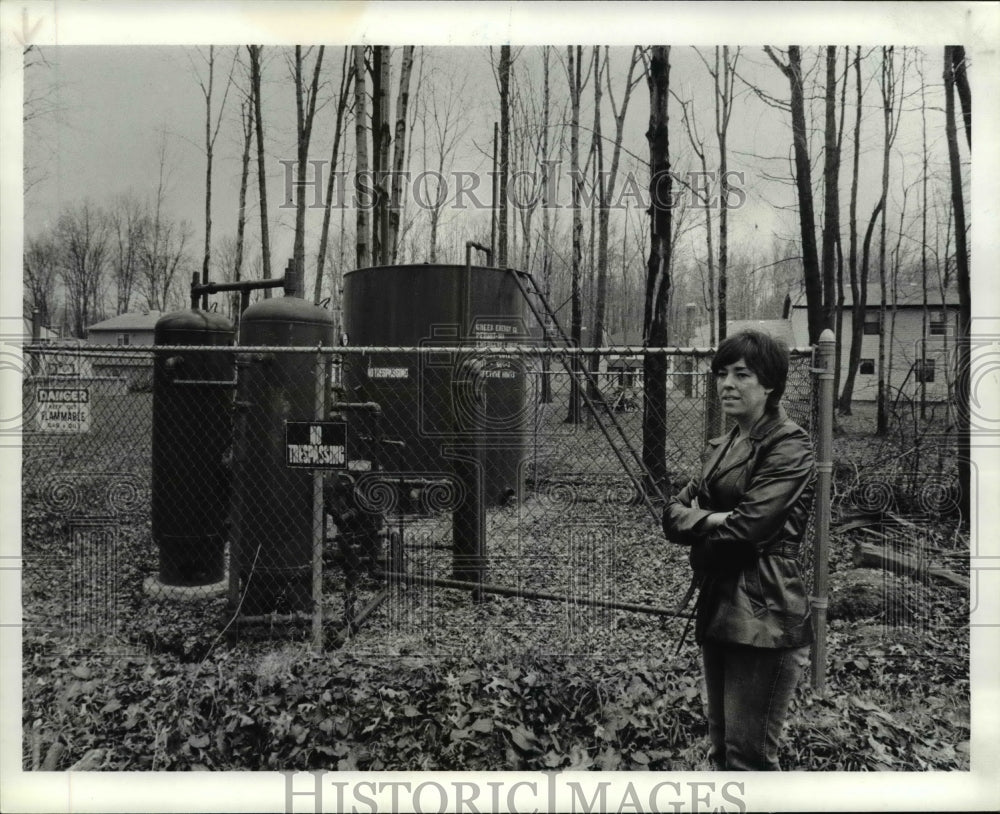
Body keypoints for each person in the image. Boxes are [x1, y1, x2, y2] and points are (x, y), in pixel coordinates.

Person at [662, 329, 815, 771]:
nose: (727, 383)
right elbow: (671, 513)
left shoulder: (789, 444)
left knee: (748, 759)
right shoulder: (722, 445)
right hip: (720, 607)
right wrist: (714, 520)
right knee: (722, 751)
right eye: (721, 373)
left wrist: (703, 536)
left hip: (764, 611)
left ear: (769, 384)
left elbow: (748, 531)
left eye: (742, 374)